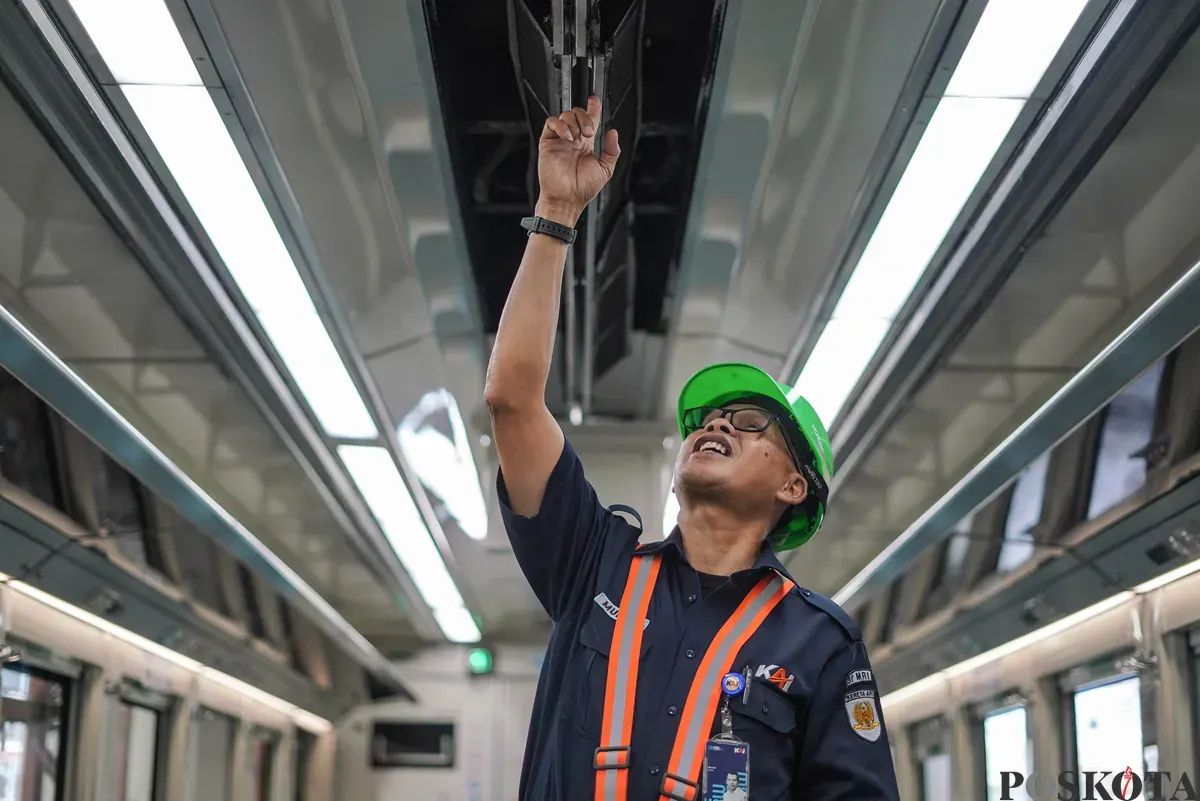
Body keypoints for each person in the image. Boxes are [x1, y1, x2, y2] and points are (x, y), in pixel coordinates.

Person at [485, 95, 900, 801]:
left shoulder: (820, 643)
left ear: (794, 486)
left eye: (747, 422)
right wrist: (555, 214)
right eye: (708, 417)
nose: (715, 426)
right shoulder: (595, 564)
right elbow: (512, 400)